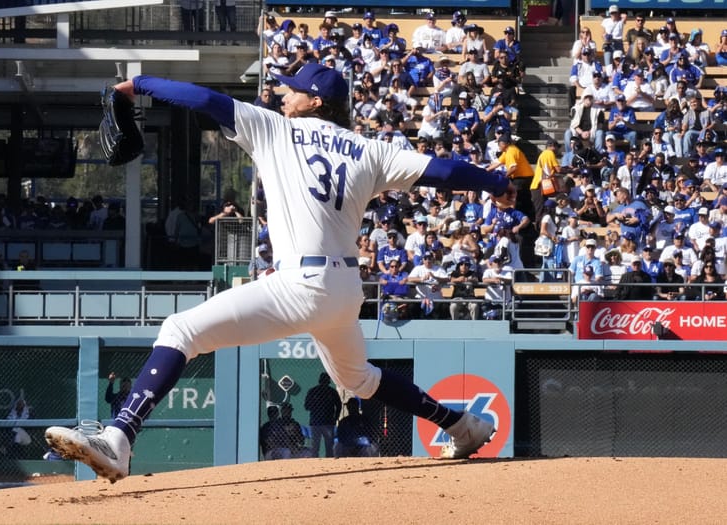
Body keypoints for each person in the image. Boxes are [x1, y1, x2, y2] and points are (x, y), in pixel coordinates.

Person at [45, 64, 515, 482]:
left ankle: (118, 439)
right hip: (346, 289)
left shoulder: (274, 128)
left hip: (301, 283)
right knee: (358, 380)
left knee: (180, 328)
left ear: (316, 102)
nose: (282, 96)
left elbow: (204, 100)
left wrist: (139, 84)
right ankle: (462, 425)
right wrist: (496, 183)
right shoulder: (369, 149)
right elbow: (445, 171)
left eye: (293, 91)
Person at [303, 372, 342, 458]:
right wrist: (317, 404)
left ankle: (328, 461)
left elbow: (339, 405)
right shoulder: (314, 391)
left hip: (326, 422)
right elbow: (307, 406)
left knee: (327, 445)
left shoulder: (332, 392)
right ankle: (316, 462)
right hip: (317, 422)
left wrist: (336, 417)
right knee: (316, 446)